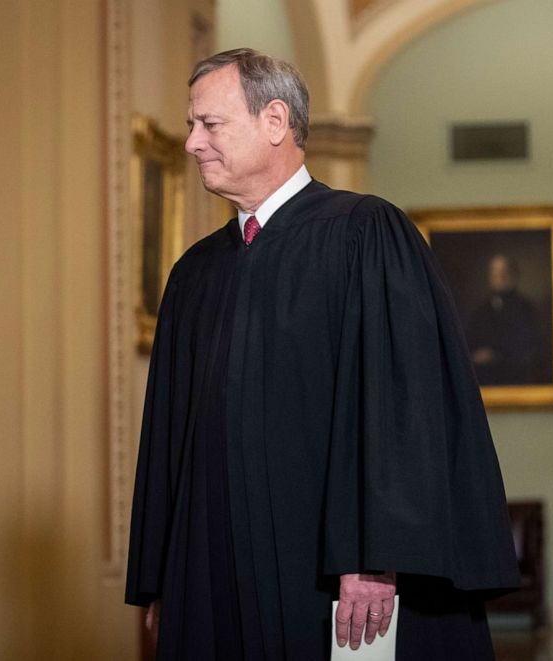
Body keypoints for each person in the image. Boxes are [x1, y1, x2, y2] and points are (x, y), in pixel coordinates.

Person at [124, 48, 519, 660]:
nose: (192, 144)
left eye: (209, 124)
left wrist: (375, 556)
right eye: (190, 126)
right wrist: (161, 578)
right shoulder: (196, 272)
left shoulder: (366, 235)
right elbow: (168, 438)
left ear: (275, 121)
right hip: (216, 571)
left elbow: (404, 408)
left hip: (338, 577)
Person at [466, 254, 550, 386]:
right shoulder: (480, 312)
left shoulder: (527, 310)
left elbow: (532, 350)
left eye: (504, 272)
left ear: (514, 276)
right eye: (495, 273)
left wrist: (496, 355)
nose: (499, 277)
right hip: (485, 381)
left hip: (517, 379)